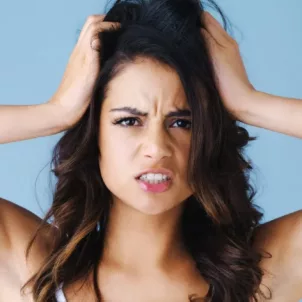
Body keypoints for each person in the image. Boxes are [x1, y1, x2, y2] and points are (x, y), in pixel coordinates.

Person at [0, 0, 301, 301]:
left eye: (183, 122)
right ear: (95, 134)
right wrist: (56, 111)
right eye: (129, 120)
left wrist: (249, 102)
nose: (157, 148)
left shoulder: (260, 276)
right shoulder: (38, 271)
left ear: (209, 135)